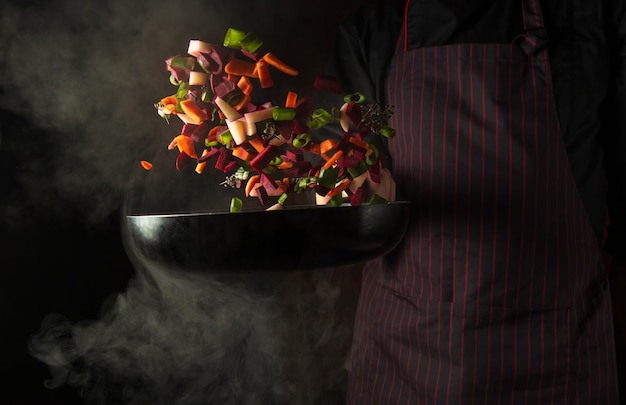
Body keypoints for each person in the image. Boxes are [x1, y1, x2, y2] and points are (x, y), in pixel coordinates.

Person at [318, 0, 626, 403]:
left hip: (555, 357)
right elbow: (351, 153)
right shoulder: (376, 33)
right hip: (404, 356)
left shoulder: (589, 19)